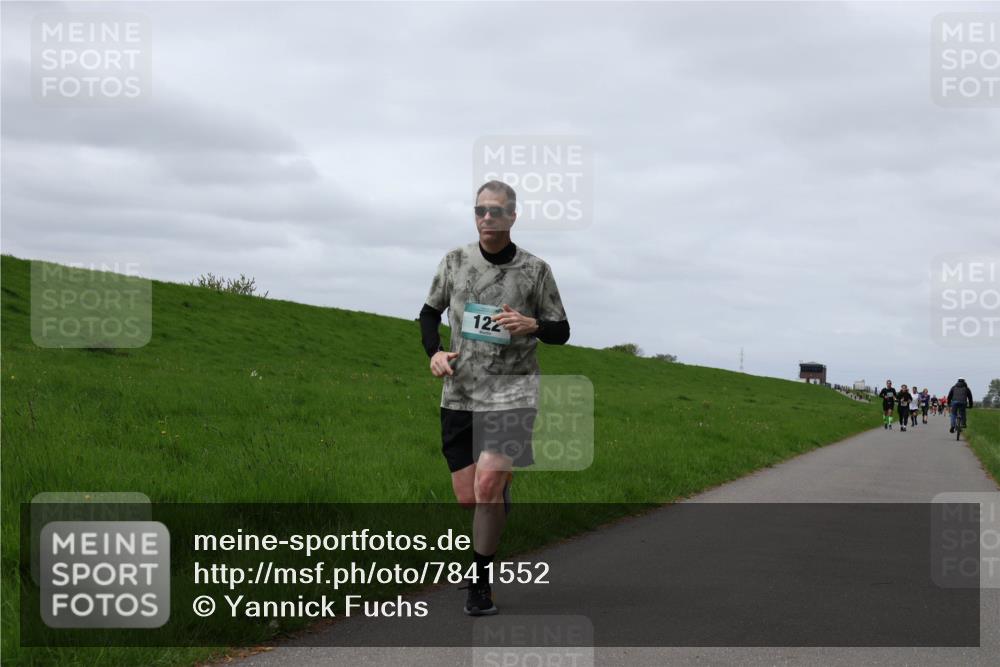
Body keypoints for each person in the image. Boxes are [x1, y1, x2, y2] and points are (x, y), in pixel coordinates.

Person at [419, 180, 570, 616]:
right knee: (470, 498)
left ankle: (479, 584)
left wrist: (533, 325)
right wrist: (434, 353)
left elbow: (561, 330)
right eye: (480, 210)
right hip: (461, 393)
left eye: (496, 211)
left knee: (486, 485)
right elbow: (429, 312)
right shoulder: (454, 261)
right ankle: (500, 492)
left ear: (513, 216)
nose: (487, 218)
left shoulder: (536, 270)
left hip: (513, 393)